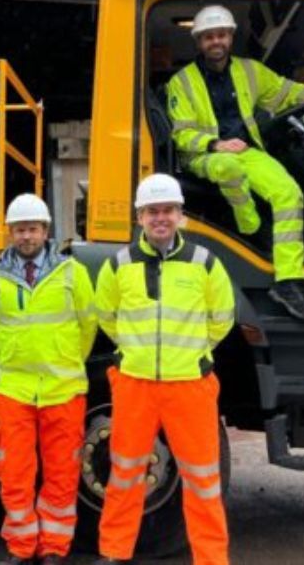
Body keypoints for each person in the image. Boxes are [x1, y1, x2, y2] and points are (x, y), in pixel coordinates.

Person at [92, 174, 235, 565]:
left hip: (189, 385)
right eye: (152, 211)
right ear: (139, 216)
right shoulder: (119, 265)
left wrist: (194, 353)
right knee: (123, 475)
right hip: (135, 384)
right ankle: (114, 552)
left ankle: (210, 558)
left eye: (168, 210)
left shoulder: (204, 264)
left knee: (203, 480)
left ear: (180, 216)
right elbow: (105, 314)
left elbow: (222, 318)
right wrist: (132, 352)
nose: (161, 218)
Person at [167, 4, 304, 320]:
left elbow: (285, 93)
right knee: (230, 168)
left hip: (246, 151)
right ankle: (250, 226)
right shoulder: (180, 83)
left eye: (221, 35)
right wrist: (216, 143)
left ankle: (289, 281)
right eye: (209, 37)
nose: (216, 41)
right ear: (199, 41)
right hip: (204, 155)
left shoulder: (250, 71)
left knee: (289, 194)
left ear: (231, 36)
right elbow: (181, 135)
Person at [0, 194, 97, 565]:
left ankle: (53, 549)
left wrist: (63, 360)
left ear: (45, 230)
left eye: (32, 229)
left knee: (62, 472)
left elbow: (87, 325)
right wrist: (15, 360)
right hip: (14, 390)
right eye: (19, 230)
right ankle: (21, 548)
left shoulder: (71, 273)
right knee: (14, 473)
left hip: (63, 389)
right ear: (10, 233)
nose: (26, 236)